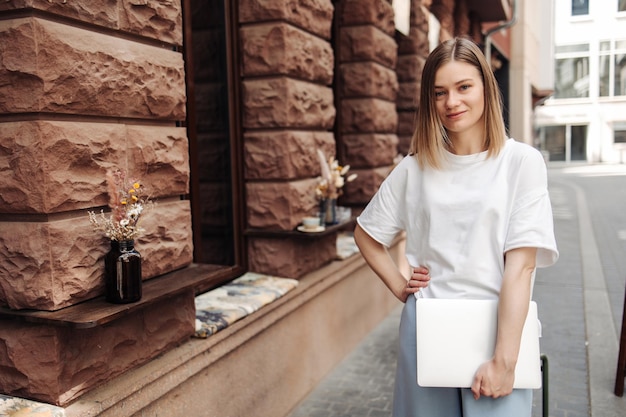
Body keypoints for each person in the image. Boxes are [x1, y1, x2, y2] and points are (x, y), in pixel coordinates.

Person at [353, 37, 559, 417]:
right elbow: (365, 234)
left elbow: (522, 266)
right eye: (439, 92)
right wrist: (400, 287)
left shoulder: (521, 163)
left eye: (464, 87)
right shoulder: (413, 169)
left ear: (486, 88)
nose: (452, 102)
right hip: (427, 327)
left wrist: (504, 360)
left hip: (500, 325)